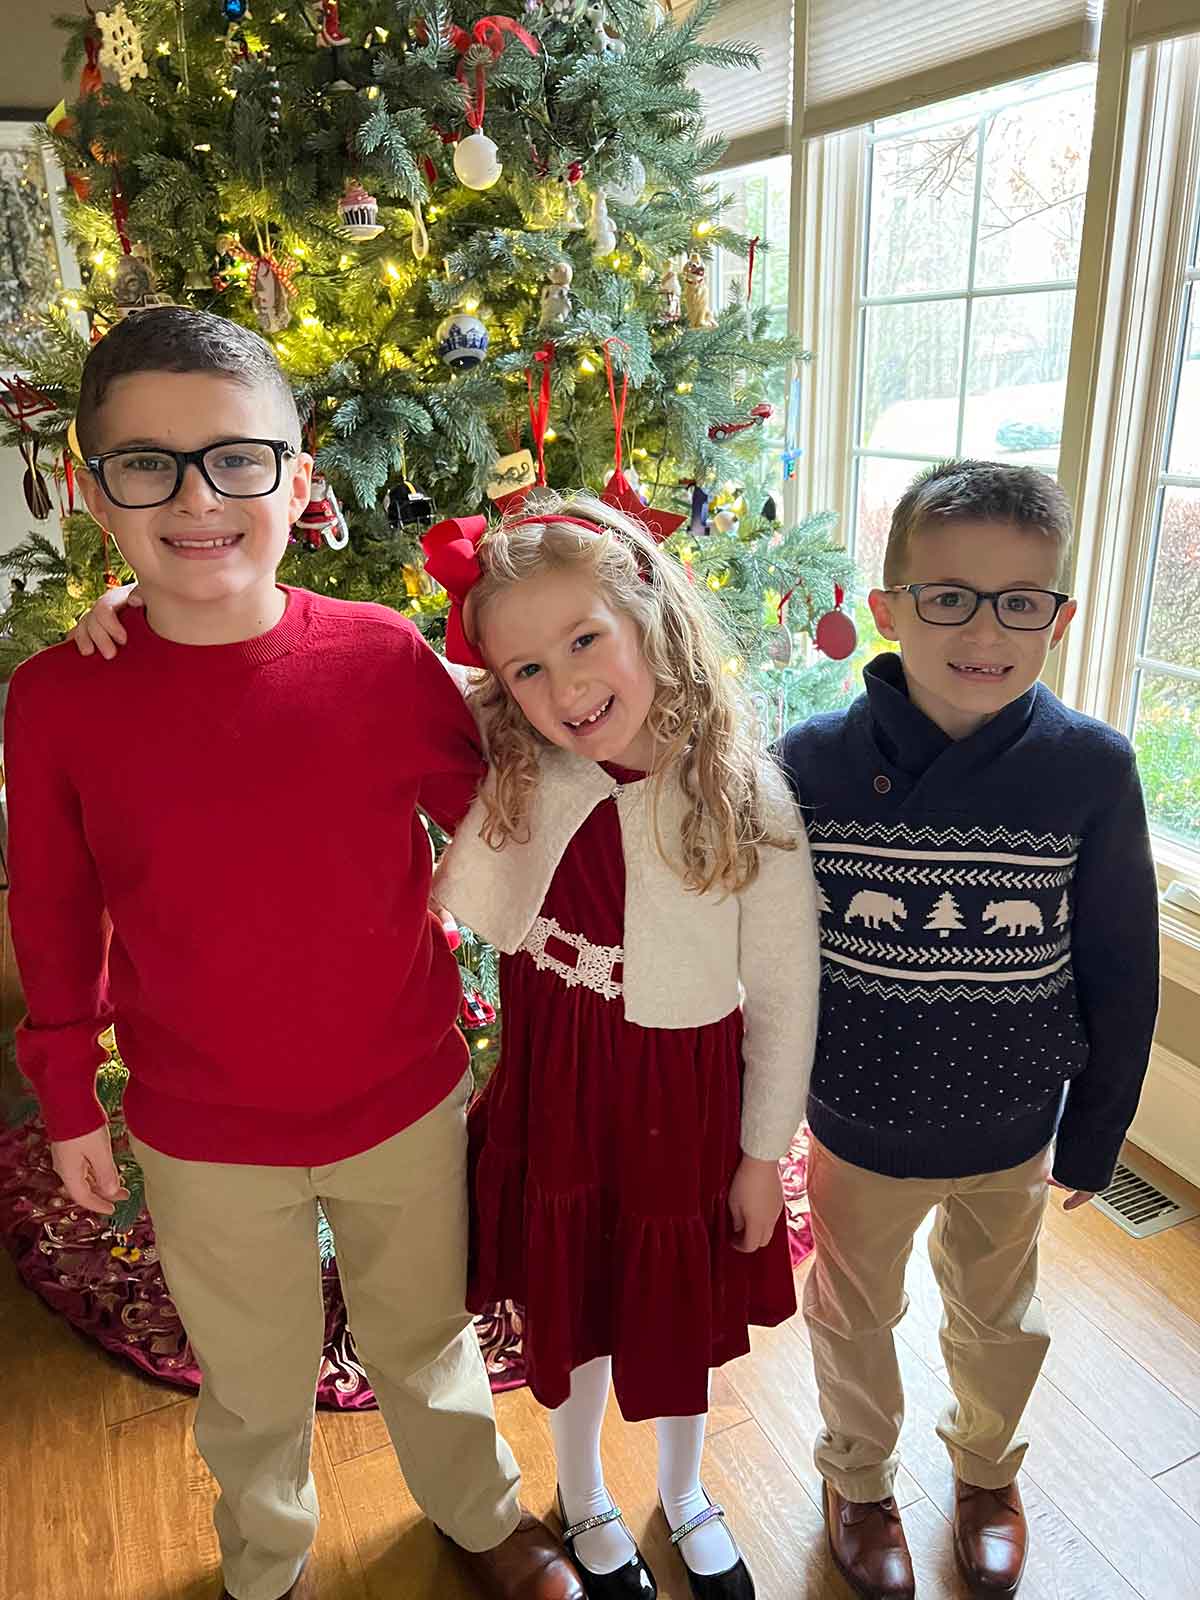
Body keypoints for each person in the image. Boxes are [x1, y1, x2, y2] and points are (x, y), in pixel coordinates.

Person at [7, 306, 584, 1600]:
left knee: (424, 1337)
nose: (197, 496)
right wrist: (62, 1097)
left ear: (300, 480)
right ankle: (264, 1561)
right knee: (253, 1374)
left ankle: (478, 1516)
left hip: (402, 1098)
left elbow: (515, 798)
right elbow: (51, 913)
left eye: (236, 459)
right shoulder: (57, 705)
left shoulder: (378, 660)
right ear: (94, 493)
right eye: (147, 465)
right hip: (203, 1132)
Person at [420, 493, 822, 1600]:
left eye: (585, 641)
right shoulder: (522, 756)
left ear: (648, 606)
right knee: (575, 1297)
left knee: (670, 1305)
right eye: (527, 671)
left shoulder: (744, 794)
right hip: (561, 1079)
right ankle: (584, 1490)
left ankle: (689, 1492)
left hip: (680, 1097)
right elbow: (373, 665)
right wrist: (167, 601)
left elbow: (788, 992)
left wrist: (757, 1154)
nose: (564, 688)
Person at [775, 461, 1160, 1600]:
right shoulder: (809, 765)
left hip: (1010, 1124)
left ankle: (988, 1471)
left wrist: (1094, 1138)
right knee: (855, 1312)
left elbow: (1120, 966)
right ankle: (859, 1476)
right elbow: (774, 960)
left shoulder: (1090, 768)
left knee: (999, 1315)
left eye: (1018, 601)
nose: (983, 629)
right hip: (856, 1124)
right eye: (948, 596)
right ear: (890, 608)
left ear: (1059, 616)